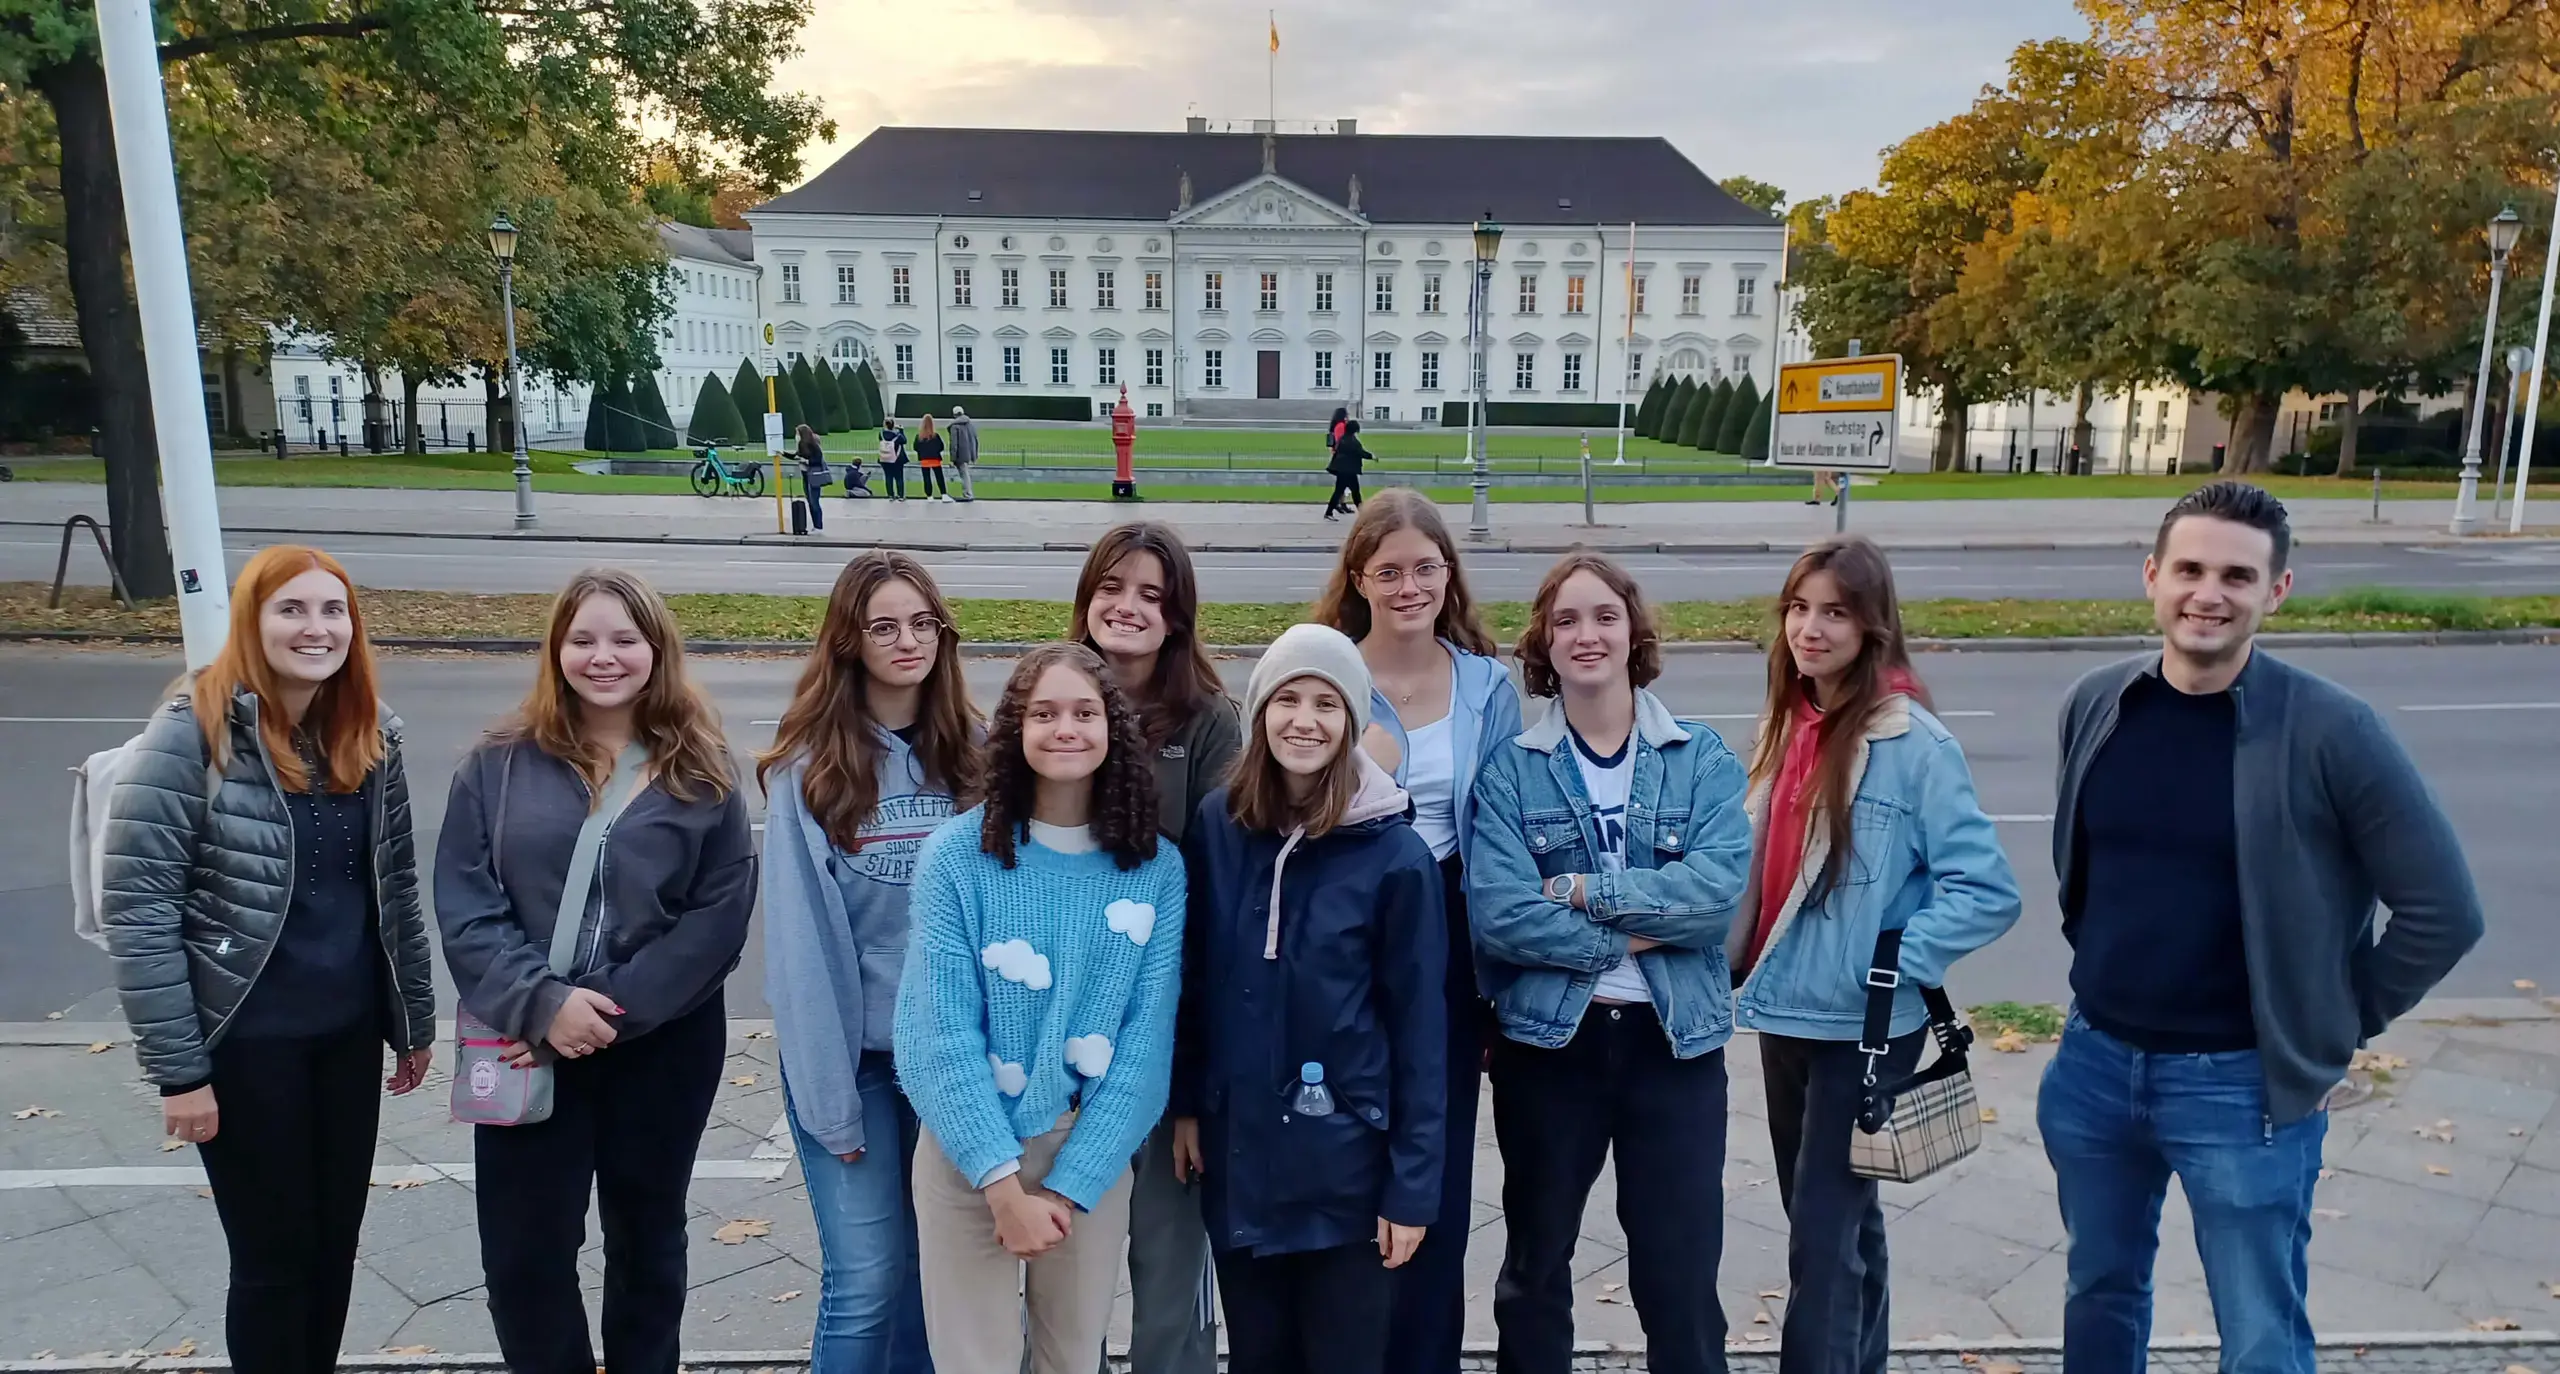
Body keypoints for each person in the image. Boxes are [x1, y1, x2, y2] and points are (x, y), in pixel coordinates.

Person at [2040, 482, 2484, 1374]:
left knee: (2258, 1332)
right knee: (2099, 1289)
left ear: (2275, 591)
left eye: (2237, 577)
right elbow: (2082, 868)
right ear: (2153, 576)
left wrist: (2330, 1029)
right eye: (2190, 570)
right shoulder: (2098, 702)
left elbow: (2444, 911)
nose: (2208, 594)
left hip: (2243, 1088)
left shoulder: (2333, 730)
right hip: (2095, 1067)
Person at [101, 544, 437, 1374]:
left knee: (332, 1249)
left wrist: (413, 1021)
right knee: (273, 1263)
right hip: (247, 1048)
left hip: (344, 1038)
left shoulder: (370, 732)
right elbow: (140, 912)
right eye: (292, 609)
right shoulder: (193, 731)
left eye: (333, 611)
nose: (316, 628)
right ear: (253, 622)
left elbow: (394, 886)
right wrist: (180, 1073)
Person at [435, 567, 757, 1374]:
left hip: (663, 1045)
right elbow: (467, 906)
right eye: (583, 640)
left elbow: (717, 919)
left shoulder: (705, 770)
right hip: (525, 1042)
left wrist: (603, 1010)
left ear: (657, 649)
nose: (603, 657)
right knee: (524, 1256)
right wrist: (542, 1005)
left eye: (624, 639)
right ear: (556, 650)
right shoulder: (497, 765)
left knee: (648, 1241)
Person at [1732, 536, 2022, 1374]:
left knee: (1822, 1244)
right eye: (1798, 608)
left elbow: (1987, 889)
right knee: (1837, 1223)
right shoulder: (1790, 722)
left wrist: (1893, 960)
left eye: (1834, 612)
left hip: (1864, 1026)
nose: (1810, 629)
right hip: (1785, 1007)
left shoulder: (1914, 744)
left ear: (1872, 626)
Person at [1467, 550, 1753, 1374]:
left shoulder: (1699, 758)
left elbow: (1713, 901)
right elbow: (1502, 917)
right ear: (1544, 645)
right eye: (1566, 620)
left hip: (1674, 1049)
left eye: (1604, 616)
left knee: (1680, 1276)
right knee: (1534, 1267)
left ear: (1633, 633)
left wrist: (1579, 890)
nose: (1586, 634)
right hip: (1552, 1051)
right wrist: (1638, 931)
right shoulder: (1512, 773)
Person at [893, 643, 1187, 1374]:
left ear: (1113, 729)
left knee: (1072, 1360)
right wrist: (1003, 1189)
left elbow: (1144, 1049)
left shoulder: (1156, 870)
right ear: (1013, 731)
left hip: (1088, 1153)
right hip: (969, 1151)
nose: (1066, 729)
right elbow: (938, 1038)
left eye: (1085, 713)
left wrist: (1071, 1185)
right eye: (1044, 713)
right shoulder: (956, 858)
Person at [1170, 624, 1448, 1374]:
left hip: (1347, 1170)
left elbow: (1421, 1034)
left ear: (1352, 722)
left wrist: (1412, 1188)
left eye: (1327, 704)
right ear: (1260, 711)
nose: (1305, 721)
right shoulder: (1220, 824)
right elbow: (1195, 977)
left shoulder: (1396, 858)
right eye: (1287, 700)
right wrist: (1190, 1103)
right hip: (1243, 1156)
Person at [1308, 486, 1519, 1374]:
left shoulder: (1486, 685)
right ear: (1359, 578)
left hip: (1453, 928)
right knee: (1349, 1141)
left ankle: (1427, 1353)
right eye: (1388, 571)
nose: (1409, 587)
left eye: (1425, 568)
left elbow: (1506, 830)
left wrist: (1498, 976)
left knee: (1436, 1150)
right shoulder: (1326, 675)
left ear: (1448, 574)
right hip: (1349, 932)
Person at [759, 551, 982, 1374]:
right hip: (852, 1061)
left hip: (950, 1060)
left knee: (936, 1278)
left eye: (922, 623)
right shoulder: (808, 768)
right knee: (866, 1278)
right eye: (883, 627)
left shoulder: (980, 756)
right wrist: (830, 1103)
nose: (907, 641)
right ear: (848, 641)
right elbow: (801, 951)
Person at [1071, 521, 1239, 1374]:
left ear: (1177, 614)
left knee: (1170, 1280)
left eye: (1151, 594)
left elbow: (1219, 908)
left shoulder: (1208, 723)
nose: (1128, 607)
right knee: (1062, 1280)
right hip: (1061, 1039)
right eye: (1112, 587)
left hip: (1164, 1040)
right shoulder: (1051, 698)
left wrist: (1195, 1087)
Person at [1323, 419, 1367, 520]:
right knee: (1354, 492)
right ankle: (1363, 513)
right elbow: (1360, 452)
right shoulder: (1352, 441)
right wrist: (1371, 456)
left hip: (1342, 470)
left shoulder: (1343, 439)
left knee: (1340, 491)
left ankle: (1329, 512)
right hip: (1349, 470)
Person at [797, 423, 833, 532]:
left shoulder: (813, 445)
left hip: (814, 476)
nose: (796, 436)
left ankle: (818, 526)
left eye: (797, 433)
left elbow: (818, 460)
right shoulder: (802, 445)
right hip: (806, 475)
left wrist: (806, 461)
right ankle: (815, 525)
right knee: (810, 501)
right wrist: (782, 453)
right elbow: (796, 456)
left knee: (814, 502)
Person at [916, 414, 950, 502]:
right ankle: (943, 494)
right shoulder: (935, 436)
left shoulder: (919, 437)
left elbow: (915, 447)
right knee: (939, 477)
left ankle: (929, 496)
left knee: (926, 478)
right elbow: (941, 446)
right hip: (935, 459)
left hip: (924, 460)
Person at [949, 406, 980, 502]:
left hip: (960, 455)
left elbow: (954, 444)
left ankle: (968, 494)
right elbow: (975, 440)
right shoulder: (970, 424)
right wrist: (974, 455)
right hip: (969, 453)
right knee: (965, 474)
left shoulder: (954, 426)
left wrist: (952, 459)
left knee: (964, 474)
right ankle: (968, 493)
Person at [879, 417, 909, 501]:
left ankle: (890, 495)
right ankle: (900, 496)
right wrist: (901, 431)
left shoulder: (881, 434)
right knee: (899, 477)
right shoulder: (898, 436)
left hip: (885, 458)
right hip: (897, 459)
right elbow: (904, 441)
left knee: (888, 477)